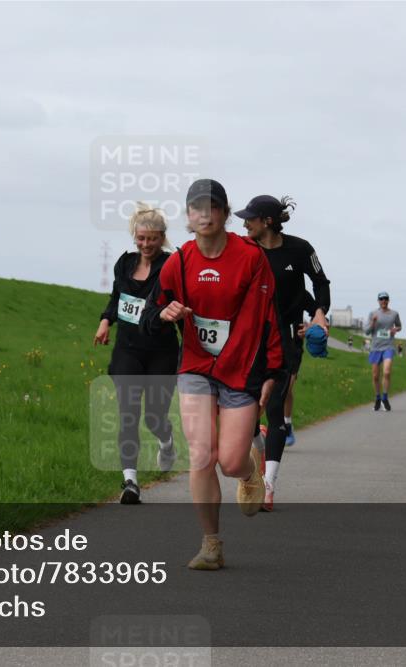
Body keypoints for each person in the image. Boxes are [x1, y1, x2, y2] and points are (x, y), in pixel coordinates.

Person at [141, 178, 283, 570]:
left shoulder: (250, 257)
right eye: (195, 208)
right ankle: (211, 544)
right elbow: (152, 311)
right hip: (196, 366)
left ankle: (250, 470)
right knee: (201, 453)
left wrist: (273, 370)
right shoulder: (180, 261)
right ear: (188, 217)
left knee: (230, 462)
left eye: (212, 207)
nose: (204, 214)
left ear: (223, 212)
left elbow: (269, 318)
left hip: (241, 369)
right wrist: (164, 314)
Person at [236, 193, 330, 509]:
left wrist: (319, 313)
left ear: (268, 222)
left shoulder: (300, 249)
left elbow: (320, 282)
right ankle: (259, 450)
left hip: (287, 337)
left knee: (275, 407)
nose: (244, 222)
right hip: (250, 338)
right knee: (247, 414)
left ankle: (268, 486)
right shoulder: (243, 249)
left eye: (250, 217)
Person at [95, 203, 180, 504]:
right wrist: (106, 321)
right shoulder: (125, 263)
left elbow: (182, 300)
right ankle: (130, 482)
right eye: (141, 238)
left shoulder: (172, 265)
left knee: (154, 416)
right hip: (128, 349)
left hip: (161, 351)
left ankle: (166, 441)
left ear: (162, 237)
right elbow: (118, 297)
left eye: (152, 239)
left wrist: (175, 313)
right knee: (128, 415)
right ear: (135, 236)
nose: (146, 245)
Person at [364, 292, 401, 411]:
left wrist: (395, 329)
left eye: (385, 299)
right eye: (381, 299)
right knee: (375, 376)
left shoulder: (394, 314)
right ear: (378, 301)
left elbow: (399, 326)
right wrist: (373, 322)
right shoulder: (373, 313)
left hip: (388, 346)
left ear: (388, 300)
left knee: (386, 372)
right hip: (375, 347)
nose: (383, 301)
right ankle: (378, 398)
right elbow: (367, 332)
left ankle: (385, 397)